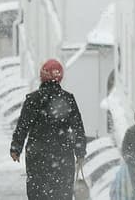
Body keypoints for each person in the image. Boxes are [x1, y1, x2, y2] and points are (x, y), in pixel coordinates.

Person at [10, 59, 87, 200]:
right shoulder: (68, 99)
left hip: (37, 156)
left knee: (38, 194)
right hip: (62, 156)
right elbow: (78, 128)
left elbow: (23, 125)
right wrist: (80, 151)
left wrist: (16, 147)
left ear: (42, 76)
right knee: (62, 194)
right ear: (60, 77)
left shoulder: (33, 99)